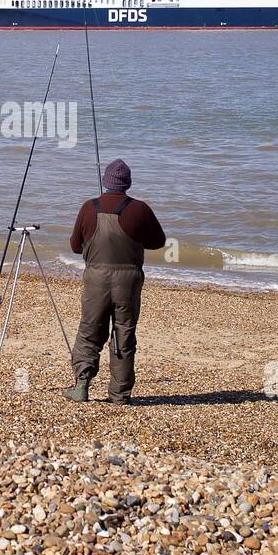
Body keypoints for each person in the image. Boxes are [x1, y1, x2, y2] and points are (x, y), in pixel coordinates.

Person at [64, 158, 166, 404]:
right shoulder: (140, 209)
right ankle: (120, 395)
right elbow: (159, 242)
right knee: (123, 335)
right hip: (128, 281)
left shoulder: (89, 207)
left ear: (105, 182)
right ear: (127, 183)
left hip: (95, 279)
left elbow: (76, 246)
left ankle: (81, 386)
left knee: (89, 331)